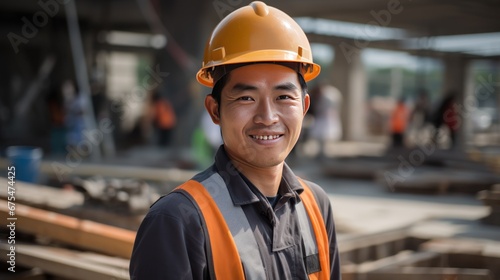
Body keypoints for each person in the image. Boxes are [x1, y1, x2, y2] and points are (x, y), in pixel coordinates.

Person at [130, 2, 341, 279]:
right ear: (215, 110)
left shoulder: (316, 206)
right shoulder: (177, 221)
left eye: (284, 97)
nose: (267, 117)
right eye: (246, 98)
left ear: (304, 107)